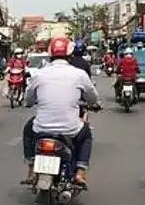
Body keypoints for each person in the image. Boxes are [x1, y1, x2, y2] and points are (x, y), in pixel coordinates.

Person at [22, 36, 100, 187]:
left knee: (27, 130)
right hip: (70, 128)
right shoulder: (79, 74)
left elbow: (28, 98)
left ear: (51, 55)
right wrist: (94, 104)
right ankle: (80, 173)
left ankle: (31, 168)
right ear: (70, 55)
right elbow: (92, 96)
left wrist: (30, 102)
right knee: (86, 136)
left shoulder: (39, 74)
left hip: (41, 128)